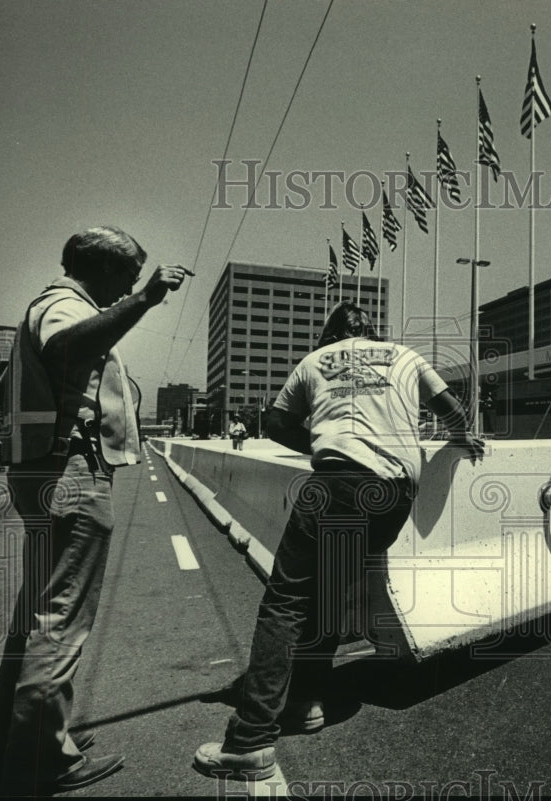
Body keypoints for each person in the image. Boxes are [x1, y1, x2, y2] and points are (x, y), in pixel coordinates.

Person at [194, 301, 484, 781]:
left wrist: (327, 443)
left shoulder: (315, 361)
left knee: (285, 603)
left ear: (331, 336)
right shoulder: (404, 356)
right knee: (331, 594)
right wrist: (462, 436)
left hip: (339, 483)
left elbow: (276, 424)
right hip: (394, 493)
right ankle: (306, 700)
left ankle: (249, 740)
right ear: (372, 333)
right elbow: (450, 407)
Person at [0, 226, 187, 794]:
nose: (128, 287)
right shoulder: (62, 303)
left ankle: (14, 738)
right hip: (69, 470)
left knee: (38, 614)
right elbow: (64, 348)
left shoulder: (61, 303)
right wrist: (144, 300)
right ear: (97, 266)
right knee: (61, 619)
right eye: (125, 275)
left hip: (47, 468)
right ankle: (39, 760)